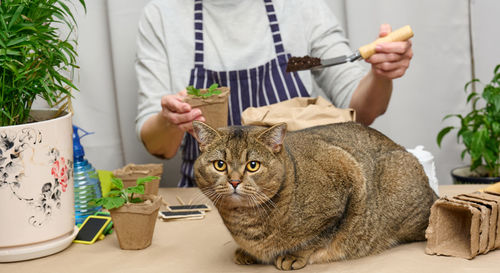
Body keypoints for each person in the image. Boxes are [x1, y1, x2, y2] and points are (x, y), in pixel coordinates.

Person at [135, 0, 413, 187]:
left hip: (303, 197)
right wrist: (169, 119)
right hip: (209, 200)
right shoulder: (162, 14)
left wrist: (380, 74)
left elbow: (363, 111)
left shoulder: (301, 6)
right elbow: (160, 147)